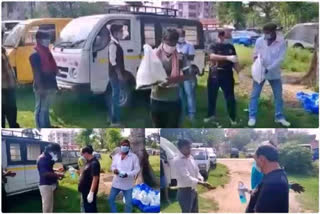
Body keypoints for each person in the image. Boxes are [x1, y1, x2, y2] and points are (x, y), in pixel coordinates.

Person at [248, 23, 290, 127]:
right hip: (260, 73)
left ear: (274, 32)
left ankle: (279, 117)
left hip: (274, 73)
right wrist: (256, 60)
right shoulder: (259, 41)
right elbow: (255, 54)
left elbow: (280, 59)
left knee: (278, 96)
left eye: (268, 33)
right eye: (264, 33)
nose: (265, 35)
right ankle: (252, 116)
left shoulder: (282, 42)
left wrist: (268, 69)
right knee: (254, 95)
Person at [150, 28, 191, 128]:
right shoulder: (153, 55)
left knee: (173, 127)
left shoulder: (181, 57)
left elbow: (188, 76)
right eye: (169, 44)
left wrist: (173, 80)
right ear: (163, 40)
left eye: (174, 44)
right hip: (157, 99)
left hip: (173, 100)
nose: (171, 47)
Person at [204, 29, 240, 126]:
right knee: (212, 96)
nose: (227, 38)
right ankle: (210, 115)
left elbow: (235, 60)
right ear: (220, 36)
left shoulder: (230, 47)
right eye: (226, 36)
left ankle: (232, 118)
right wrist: (227, 58)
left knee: (230, 98)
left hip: (227, 74)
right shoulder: (213, 46)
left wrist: (239, 72)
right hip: (215, 74)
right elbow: (212, 56)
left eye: (228, 36)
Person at [246, 145, 289, 213]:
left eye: (255, 160)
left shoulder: (273, 184)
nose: (255, 164)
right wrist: (248, 190)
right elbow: (260, 192)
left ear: (262, 160)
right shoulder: (276, 176)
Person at [29, 30, 58, 128]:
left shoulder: (47, 51)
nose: (48, 40)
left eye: (48, 38)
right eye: (45, 38)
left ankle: (47, 125)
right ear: (39, 40)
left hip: (49, 84)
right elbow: (36, 73)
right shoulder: (35, 54)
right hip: (41, 86)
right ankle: (41, 127)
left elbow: (52, 67)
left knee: (45, 108)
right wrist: (41, 88)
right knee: (40, 109)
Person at [174, 139, 212, 213]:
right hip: (185, 191)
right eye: (187, 148)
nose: (189, 150)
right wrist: (202, 183)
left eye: (190, 147)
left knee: (195, 211)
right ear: (180, 148)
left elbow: (196, 171)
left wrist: (201, 179)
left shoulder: (190, 158)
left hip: (193, 190)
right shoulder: (178, 161)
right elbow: (187, 178)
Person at [109, 139, 140, 213]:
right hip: (116, 183)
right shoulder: (116, 156)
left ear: (129, 147)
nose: (124, 147)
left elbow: (137, 169)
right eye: (123, 145)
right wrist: (114, 170)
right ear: (120, 146)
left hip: (127, 184)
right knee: (110, 199)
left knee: (128, 203)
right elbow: (112, 166)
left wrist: (127, 174)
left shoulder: (133, 157)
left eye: (126, 145)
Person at [177, 29, 197, 123]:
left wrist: (183, 55)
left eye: (182, 35)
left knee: (189, 93)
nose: (181, 37)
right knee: (180, 94)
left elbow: (192, 57)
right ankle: (182, 113)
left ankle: (191, 114)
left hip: (186, 71)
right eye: (179, 35)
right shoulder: (173, 45)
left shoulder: (189, 45)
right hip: (176, 72)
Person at [37, 144, 64, 213]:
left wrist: (57, 170)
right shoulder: (42, 159)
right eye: (56, 152)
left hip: (50, 184)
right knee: (47, 208)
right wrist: (58, 175)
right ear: (51, 151)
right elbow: (45, 173)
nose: (56, 154)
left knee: (51, 206)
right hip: (46, 185)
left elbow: (48, 169)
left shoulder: (47, 156)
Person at [108, 24, 126, 127]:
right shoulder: (113, 45)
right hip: (114, 74)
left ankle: (113, 118)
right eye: (120, 32)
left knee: (116, 95)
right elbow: (113, 61)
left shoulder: (116, 43)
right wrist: (119, 74)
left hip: (116, 73)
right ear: (115, 33)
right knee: (116, 96)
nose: (122, 33)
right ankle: (115, 121)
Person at [2, 27, 20, 128]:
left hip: (10, 87)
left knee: (12, 111)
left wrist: (15, 80)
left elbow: (9, 69)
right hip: (3, 89)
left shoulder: (3, 50)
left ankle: (14, 125)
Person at [78, 146, 101, 213]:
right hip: (85, 190)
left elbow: (95, 178)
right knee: (87, 208)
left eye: (82, 154)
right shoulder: (88, 162)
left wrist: (91, 192)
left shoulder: (94, 163)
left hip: (89, 191)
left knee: (90, 209)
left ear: (86, 153)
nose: (82, 156)